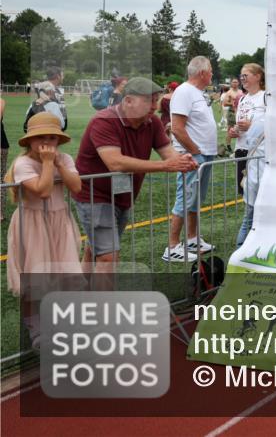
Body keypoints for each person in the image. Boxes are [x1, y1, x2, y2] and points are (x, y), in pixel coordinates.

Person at [73, 78, 197, 272]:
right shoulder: (104, 121)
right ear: (128, 101)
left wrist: (183, 161)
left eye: (156, 101)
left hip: (123, 195)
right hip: (94, 195)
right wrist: (166, 165)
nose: (154, 107)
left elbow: (167, 150)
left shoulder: (152, 122)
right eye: (148, 101)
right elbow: (115, 162)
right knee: (108, 257)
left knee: (96, 247)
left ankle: (80, 287)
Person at [4, 113, 83, 348]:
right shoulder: (23, 163)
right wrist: (48, 163)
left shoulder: (65, 159)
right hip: (33, 224)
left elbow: (76, 187)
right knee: (33, 277)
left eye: (53, 138)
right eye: (41, 138)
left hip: (59, 222)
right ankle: (34, 326)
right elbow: (43, 190)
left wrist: (58, 163)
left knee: (63, 273)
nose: (47, 143)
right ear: (29, 140)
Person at [166, 56, 218, 262]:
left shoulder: (197, 93)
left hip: (203, 154)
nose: (212, 74)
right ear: (202, 73)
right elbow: (177, 128)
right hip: (193, 154)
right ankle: (172, 245)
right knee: (185, 197)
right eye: (211, 71)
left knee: (196, 199)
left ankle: (191, 238)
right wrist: (195, 151)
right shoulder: (184, 91)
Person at [230, 64, 265, 198]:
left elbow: (271, 124)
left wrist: (252, 126)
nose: (242, 79)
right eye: (241, 76)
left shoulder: (265, 97)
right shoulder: (243, 99)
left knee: (258, 192)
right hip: (241, 149)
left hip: (258, 152)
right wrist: (234, 131)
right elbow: (239, 123)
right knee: (244, 191)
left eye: (245, 75)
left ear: (257, 77)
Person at [236, 116, 265, 247]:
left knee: (247, 221)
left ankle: (239, 251)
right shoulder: (272, 124)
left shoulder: (257, 123)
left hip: (252, 177)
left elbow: (248, 144)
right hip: (264, 178)